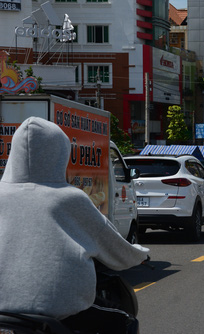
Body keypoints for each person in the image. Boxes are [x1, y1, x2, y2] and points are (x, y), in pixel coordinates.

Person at [0, 117, 150, 334]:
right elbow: (115, 249)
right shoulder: (70, 199)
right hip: (58, 312)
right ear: (61, 154)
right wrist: (139, 254)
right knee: (124, 321)